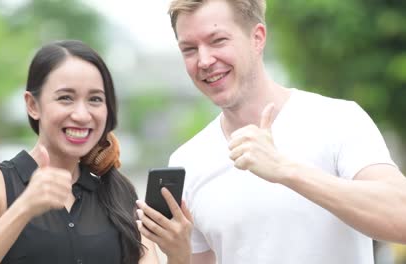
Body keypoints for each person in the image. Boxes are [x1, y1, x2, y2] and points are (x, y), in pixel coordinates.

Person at [136, 0, 406, 263]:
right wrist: (177, 254)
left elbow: (401, 217)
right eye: (189, 49)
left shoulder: (339, 119)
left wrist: (286, 170)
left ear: (257, 38)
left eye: (218, 40)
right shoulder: (188, 160)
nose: (204, 60)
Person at [0, 40, 168, 264]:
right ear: (32, 105)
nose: (81, 114)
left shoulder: (119, 193)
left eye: (95, 99)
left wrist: (177, 253)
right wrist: (23, 208)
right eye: (65, 98)